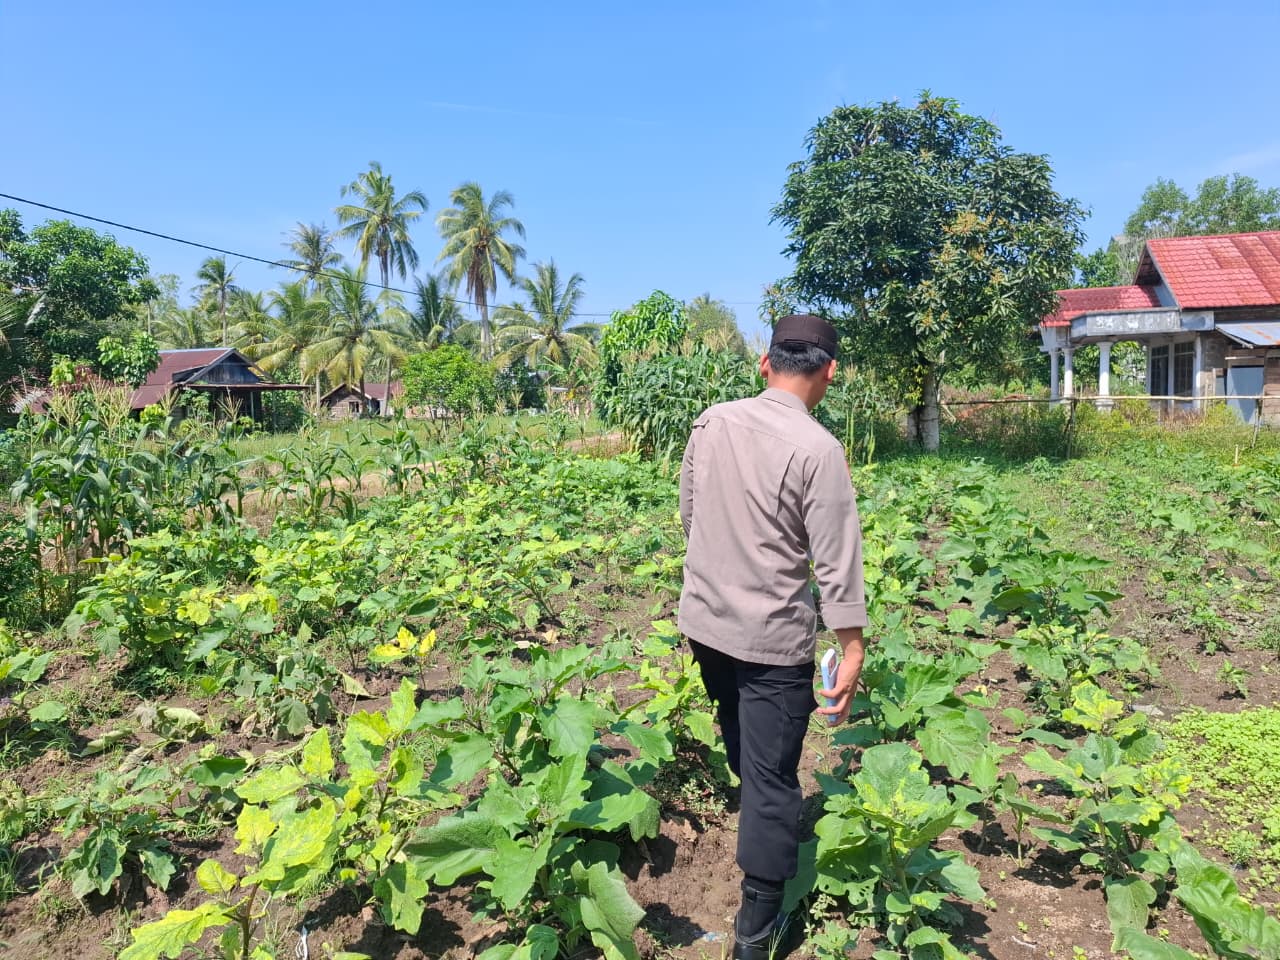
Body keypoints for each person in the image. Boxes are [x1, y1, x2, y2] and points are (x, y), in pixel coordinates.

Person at [678, 314, 869, 959]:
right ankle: (755, 937)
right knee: (771, 780)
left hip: (705, 625)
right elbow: (836, 560)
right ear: (829, 371)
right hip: (769, 642)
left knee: (744, 746)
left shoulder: (711, 422)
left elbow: (691, 516)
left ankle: (760, 823)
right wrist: (851, 647)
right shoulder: (818, 450)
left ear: (766, 362)